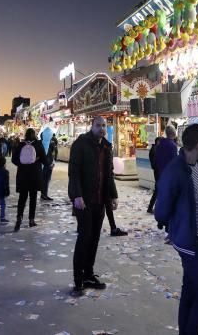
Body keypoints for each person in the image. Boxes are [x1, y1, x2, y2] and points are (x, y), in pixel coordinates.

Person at [154, 123, 198, 335]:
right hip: (189, 240)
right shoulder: (175, 170)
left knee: (191, 290)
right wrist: (177, 223)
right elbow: (161, 211)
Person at [68, 115, 118, 295]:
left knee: (94, 238)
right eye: (98, 125)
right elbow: (73, 172)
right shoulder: (81, 144)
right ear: (92, 126)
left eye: (104, 126)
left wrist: (112, 195)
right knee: (84, 238)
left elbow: (109, 173)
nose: (101, 128)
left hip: (100, 201)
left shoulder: (106, 146)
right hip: (84, 201)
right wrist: (77, 195)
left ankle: (89, 274)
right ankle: (78, 279)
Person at [12, 127, 47, 231]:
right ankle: (31, 220)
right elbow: (45, 161)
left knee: (22, 198)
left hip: (23, 175)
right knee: (33, 198)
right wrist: (39, 160)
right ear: (35, 135)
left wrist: (22, 164)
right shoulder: (38, 145)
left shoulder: (21, 145)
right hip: (35, 175)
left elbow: (14, 159)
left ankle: (19, 217)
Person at [148, 125, 178, 214]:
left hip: (160, 172)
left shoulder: (160, 144)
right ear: (174, 133)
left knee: (161, 192)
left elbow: (157, 158)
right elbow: (174, 162)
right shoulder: (172, 145)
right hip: (169, 174)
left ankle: (159, 210)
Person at [41, 132, 58, 201]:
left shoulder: (41, 143)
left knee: (45, 180)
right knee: (45, 180)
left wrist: (53, 162)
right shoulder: (51, 143)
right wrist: (52, 162)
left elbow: (54, 153)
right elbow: (54, 153)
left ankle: (44, 194)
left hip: (46, 164)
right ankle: (44, 194)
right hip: (47, 164)